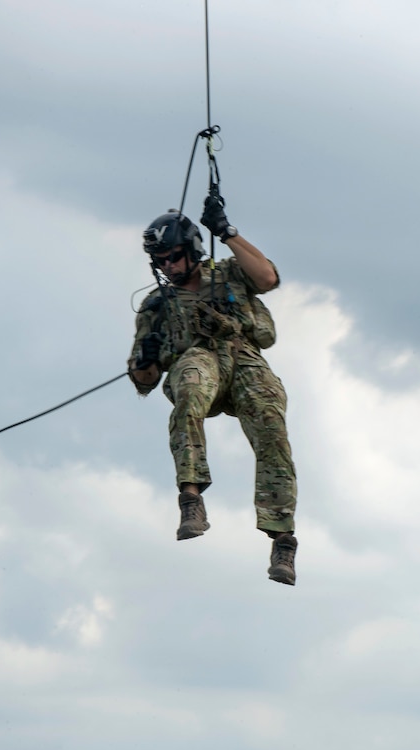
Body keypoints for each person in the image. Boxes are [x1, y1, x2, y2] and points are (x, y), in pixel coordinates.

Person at [127, 192, 298, 585]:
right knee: (188, 385)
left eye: (173, 256)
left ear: (191, 249)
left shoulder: (229, 274)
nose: (168, 266)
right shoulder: (157, 306)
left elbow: (268, 277)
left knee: (270, 416)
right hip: (199, 359)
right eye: (161, 260)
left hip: (242, 359)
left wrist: (227, 230)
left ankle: (282, 537)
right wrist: (146, 360)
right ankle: (191, 498)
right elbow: (144, 380)